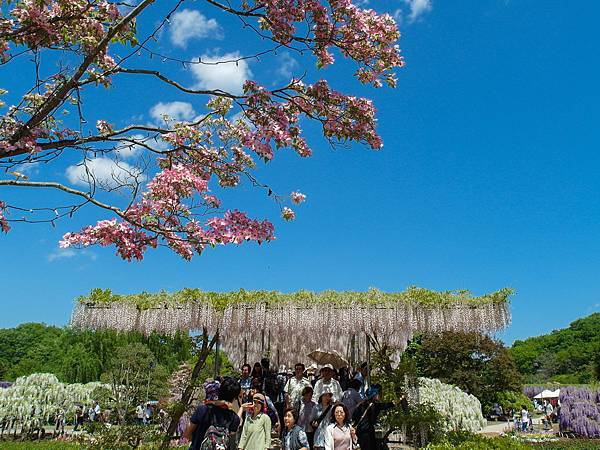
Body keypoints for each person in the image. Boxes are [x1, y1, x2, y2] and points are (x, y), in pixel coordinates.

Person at [184, 377, 242, 450]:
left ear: (219, 391)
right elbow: (231, 442)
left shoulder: (203, 409)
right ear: (234, 398)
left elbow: (187, 433)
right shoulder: (234, 418)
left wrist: (196, 441)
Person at [352, 385, 393, 450]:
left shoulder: (360, 404)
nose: (379, 395)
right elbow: (387, 405)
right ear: (374, 395)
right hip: (368, 433)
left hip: (359, 432)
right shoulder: (375, 406)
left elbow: (354, 417)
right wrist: (399, 400)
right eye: (378, 394)